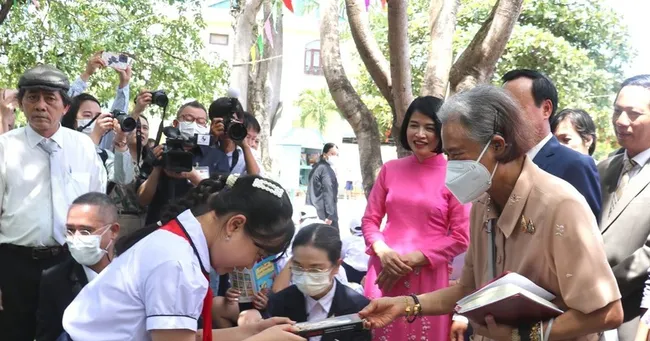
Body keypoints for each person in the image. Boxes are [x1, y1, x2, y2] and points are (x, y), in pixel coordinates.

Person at [359, 85, 624, 341]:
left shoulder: (560, 206)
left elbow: (608, 313)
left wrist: (522, 336)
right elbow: (470, 289)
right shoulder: (482, 204)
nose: (450, 167)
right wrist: (406, 304)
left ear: (497, 145)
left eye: (457, 155)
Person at [61, 175, 303, 341]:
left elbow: (184, 336)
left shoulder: (179, 245)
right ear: (235, 225)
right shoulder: (178, 264)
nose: (251, 265)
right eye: (259, 253)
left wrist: (251, 332)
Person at [0, 64, 106, 341]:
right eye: (32, 97)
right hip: (14, 264)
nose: (40, 106)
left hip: (67, 262)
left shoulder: (83, 147)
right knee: (13, 333)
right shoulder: (5, 147)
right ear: (22, 104)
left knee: (64, 334)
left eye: (50, 98)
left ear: (65, 106)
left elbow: (98, 205)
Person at [362, 96, 470, 341]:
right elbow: (370, 220)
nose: (420, 134)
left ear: (444, 131)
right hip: (385, 272)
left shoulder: (457, 175)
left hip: (427, 275)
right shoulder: (390, 169)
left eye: (430, 128)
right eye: (414, 125)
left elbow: (461, 237)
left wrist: (411, 259)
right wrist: (383, 252)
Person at [242, 224, 371, 341]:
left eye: (315, 269)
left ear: (336, 266)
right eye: (298, 266)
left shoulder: (358, 309)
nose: (305, 275)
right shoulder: (279, 303)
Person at [502, 69, 602, 221]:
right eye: (502, 110)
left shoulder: (575, 164)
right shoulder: (501, 161)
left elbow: (585, 234)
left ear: (546, 109)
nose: (507, 117)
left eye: (514, 108)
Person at [596, 74, 650, 341]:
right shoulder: (603, 168)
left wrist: (599, 288)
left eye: (633, 113)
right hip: (586, 314)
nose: (620, 120)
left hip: (633, 318)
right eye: (617, 111)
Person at [36, 192, 120, 341]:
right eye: (70, 230)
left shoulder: (135, 273)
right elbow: (48, 335)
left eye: (86, 231)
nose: (76, 238)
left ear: (113, 231)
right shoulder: (55, 280)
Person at [137, 100, 230, 225]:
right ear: (176, 123)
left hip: (197, 228)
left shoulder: (217, 157)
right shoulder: (158, 152)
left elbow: (221, 200)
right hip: (158, 226)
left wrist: (193, 176)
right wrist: (157, 167)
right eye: (189, 119)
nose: (194, 124)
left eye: (200, 122)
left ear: (205, 126)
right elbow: (142, 200)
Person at [60, 93, 135, 186]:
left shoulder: (104, 155)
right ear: (72, 120)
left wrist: (121, 141)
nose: (95, 120)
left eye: (98, 116)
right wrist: (95, 135)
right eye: (87, 115)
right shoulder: (59, 148)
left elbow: (123, 179)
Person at [306, 143, 339, 229]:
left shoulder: (316, 167)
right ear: (324, 154)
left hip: (313, 210)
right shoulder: (325, 169)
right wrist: (330, 215)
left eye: (336, 154)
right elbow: (328, 192)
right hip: (324, 214)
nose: (335, 157)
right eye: (332, 154)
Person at [341, 217, 368, 284]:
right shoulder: (370, 239)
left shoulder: (346, 240)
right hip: (367, 271)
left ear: (351, 230)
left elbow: (341, 255)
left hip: (351, 270)